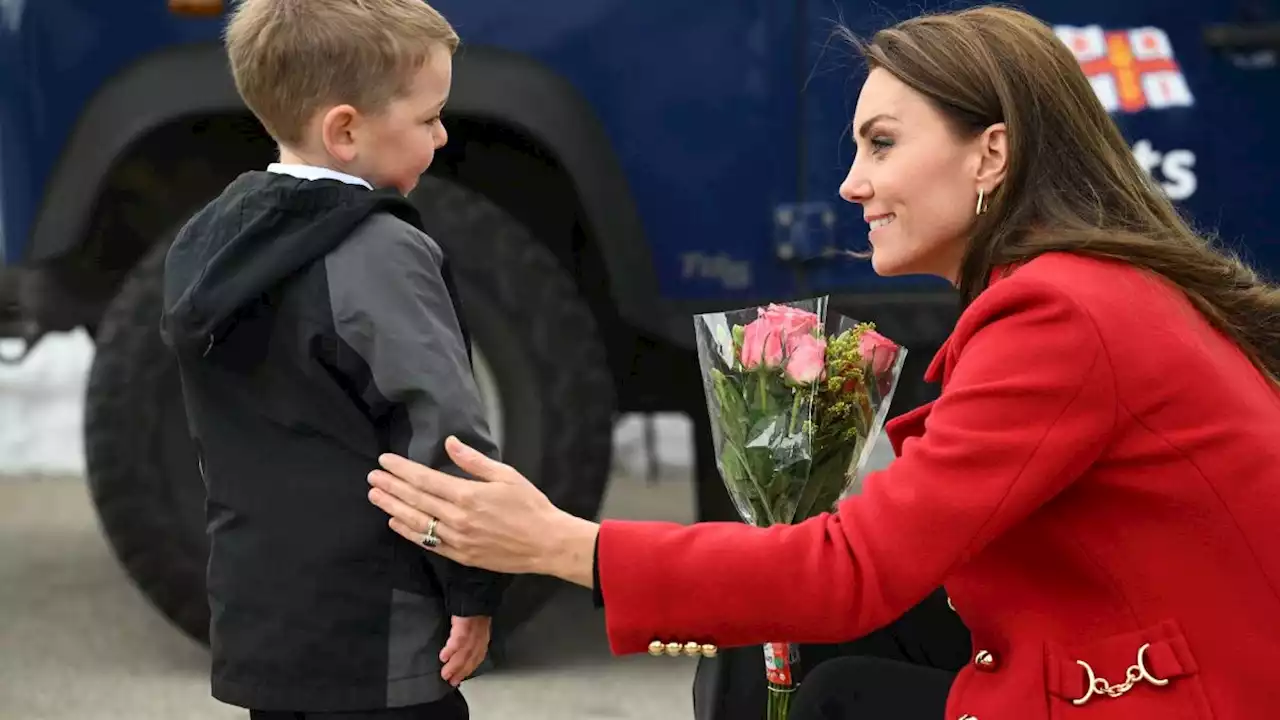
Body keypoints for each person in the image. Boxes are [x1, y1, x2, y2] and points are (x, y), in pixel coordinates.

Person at [365, 5, 1280, 720]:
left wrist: (563, 545)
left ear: (991, 154)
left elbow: (855, 571)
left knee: (838, 695)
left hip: (1182, 691)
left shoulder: (1061, 312)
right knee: (773, 635)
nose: (852, 183)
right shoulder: (1084, 289)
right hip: (1161, 660)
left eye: (881, 144)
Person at [159, 1, 508, 718]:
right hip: (381, 637)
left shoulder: (207, 239)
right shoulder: (377, 251)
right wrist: (474, 591)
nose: (442, 136)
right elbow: (441, 437)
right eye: (428, 117)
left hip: (266, 628)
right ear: (345, 130)